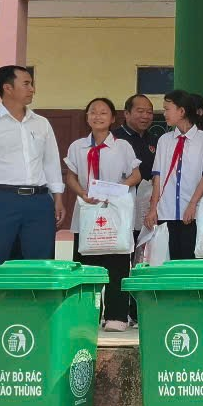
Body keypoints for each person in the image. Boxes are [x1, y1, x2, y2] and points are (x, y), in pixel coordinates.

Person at [0, 65, 66, 263]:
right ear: (8, 88)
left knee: (40, 262)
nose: (32, 89)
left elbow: (51, 162)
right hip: (1, 200)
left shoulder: (41, 123)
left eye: (31, 84)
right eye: (26, 84)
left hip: (39, 201)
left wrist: (58, 198)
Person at [63, 97, 141, 331]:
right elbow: (71, 177)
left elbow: (136, 175)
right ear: (87, 117)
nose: (97, 116)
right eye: (93, 112)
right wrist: (83, 193)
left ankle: (116, 316)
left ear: (113, 118)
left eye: (103, 112)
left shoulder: (122, 146)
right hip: (87, 212)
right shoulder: (77, 146)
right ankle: (87, 314)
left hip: (114, 213)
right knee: (86, 266)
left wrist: (117, 190)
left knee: (117, 265)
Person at [145, 90, 203, 260]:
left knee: (191, 263)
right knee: (168, 262)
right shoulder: (164, 140)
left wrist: (192, 204)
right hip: (166, 212)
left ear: (182, 111)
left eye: (167, 109)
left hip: (194, 214)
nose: (164, 113)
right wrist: (153, 208)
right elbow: (158, 177)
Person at [115, 93, 157, 231]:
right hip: (120, 202)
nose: (145, 116)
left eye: (149, 112)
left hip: (147, 207)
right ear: (126, 113)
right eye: (140, 111)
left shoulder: (155, 140)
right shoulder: (114, 138)